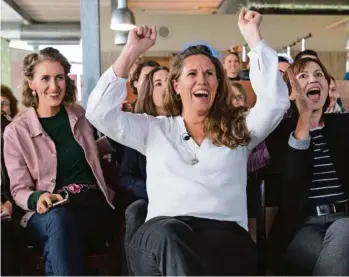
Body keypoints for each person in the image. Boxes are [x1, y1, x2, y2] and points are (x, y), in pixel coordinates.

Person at [86, 9, 290, 275]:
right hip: (162, 236)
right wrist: (131, 52)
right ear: (176, 86)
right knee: (170, 234)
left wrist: (253, 38)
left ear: (218, 84)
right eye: (192, 74)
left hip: (223, 239)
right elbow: (98, 112)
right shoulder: (154, 129)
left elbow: (276, 103)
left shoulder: (239, 129)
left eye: (209, 73)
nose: (201, 79)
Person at [3, 47, 115, 275]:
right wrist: (37, 198)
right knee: (59, 223)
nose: (54, 87)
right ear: (31, 83)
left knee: (61, 237)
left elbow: (91, 151)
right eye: (45, 78)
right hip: (46, 214)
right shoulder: (16, 131)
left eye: (60, 78)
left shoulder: (80, 115)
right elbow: (18, 189)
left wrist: (116, 138)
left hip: (89, 208)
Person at [266, 57, 349, 275]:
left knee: (343, 234)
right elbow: (292, 174)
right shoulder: (279, 131)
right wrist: (304, 116)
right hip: (300, 228)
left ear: (327, 87)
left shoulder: (343, 125)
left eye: (319, 74)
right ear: (291, 92)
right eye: (303, 76)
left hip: (343, 219)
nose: (313, 79)